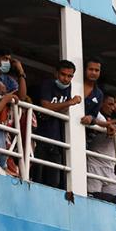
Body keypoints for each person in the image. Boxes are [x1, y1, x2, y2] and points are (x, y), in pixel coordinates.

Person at [33, 60, 81, 188]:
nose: (66, 79)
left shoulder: (68, 87)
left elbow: (61, 109)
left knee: (53, 180)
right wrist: (70, 102)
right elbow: (45, 106)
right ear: (56, 73)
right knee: (37, 175)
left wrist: (67, 104)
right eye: (63, 74)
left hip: (56, 139)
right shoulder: (48, 84)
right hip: (40, 136)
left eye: (69, 76)